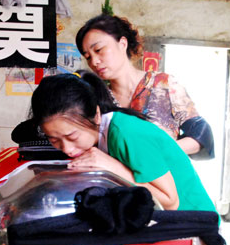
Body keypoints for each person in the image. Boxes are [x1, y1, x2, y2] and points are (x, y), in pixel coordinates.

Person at [30, 71, 217, 213]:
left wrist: (113, 168)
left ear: (96, 115)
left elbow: (170, 202)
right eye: (54, 139)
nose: (67, 149)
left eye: (72, 137)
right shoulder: (100, 138)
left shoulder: (127, 133)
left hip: (193, 224)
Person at [75, 14, 214, 160]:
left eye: (98, 50)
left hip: (166, 173)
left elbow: (202, 137)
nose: (94, 62)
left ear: (122, 44)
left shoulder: (163, 84)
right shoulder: (98, 98)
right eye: (88, 57)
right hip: (114, 175)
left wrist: (161, 149)